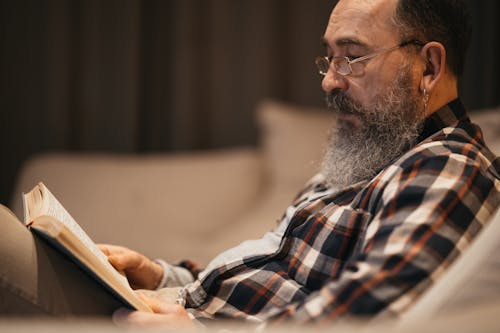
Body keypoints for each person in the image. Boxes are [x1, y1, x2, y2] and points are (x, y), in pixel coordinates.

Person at [1, 0, 499, 330]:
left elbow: (363, 316)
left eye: (352, 57)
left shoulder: (448, 169)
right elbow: (277, 274)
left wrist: (199, 329)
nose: (329, 81)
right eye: (329, 58)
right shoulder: (370, 155)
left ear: (429, 67)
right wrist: (159, 276)